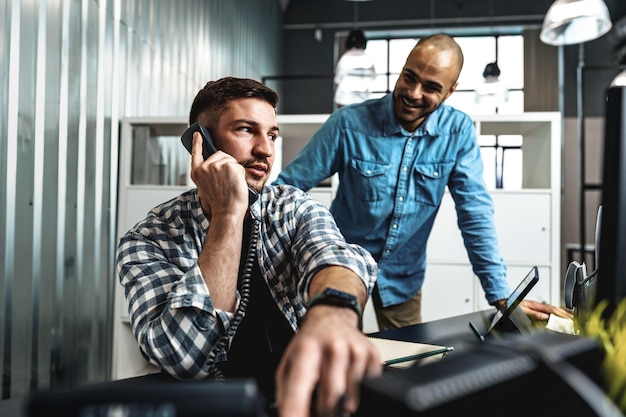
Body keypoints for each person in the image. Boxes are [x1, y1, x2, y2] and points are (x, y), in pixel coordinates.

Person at [115, 77, 381, 417]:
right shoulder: (150, 239)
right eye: (246, 130)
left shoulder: (291, 206)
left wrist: (333, 310)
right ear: (202, 142)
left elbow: (333, 256)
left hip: (299, 400)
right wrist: (228, 214)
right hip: (210, 408)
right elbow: (183, 358)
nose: (266, 150)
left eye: (271, 135)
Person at [274, 33, 572, 331]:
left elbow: (475, 213)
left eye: (431, 87)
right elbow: (286, 191)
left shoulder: (457, 132)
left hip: (403, 276)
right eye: (409, 77)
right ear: (402, 68)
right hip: (340, 269)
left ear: (451, 91)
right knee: (336, 360)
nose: (413, 93)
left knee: (406, 365)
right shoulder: (348, 124)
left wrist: (501, 293)